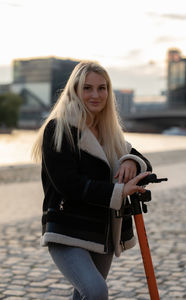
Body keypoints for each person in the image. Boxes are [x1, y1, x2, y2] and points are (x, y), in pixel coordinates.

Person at [32, 61, 152, 300]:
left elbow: (145, 165)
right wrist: (119, 192)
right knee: (96, 292)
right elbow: (69, 184)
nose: (96, 95)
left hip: (102, 231)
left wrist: (130, 160)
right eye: (87, 88)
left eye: (102, 88)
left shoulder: (110, 134)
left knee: (84, 295)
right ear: (75, 90)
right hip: (67, 228)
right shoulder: (59, 129)